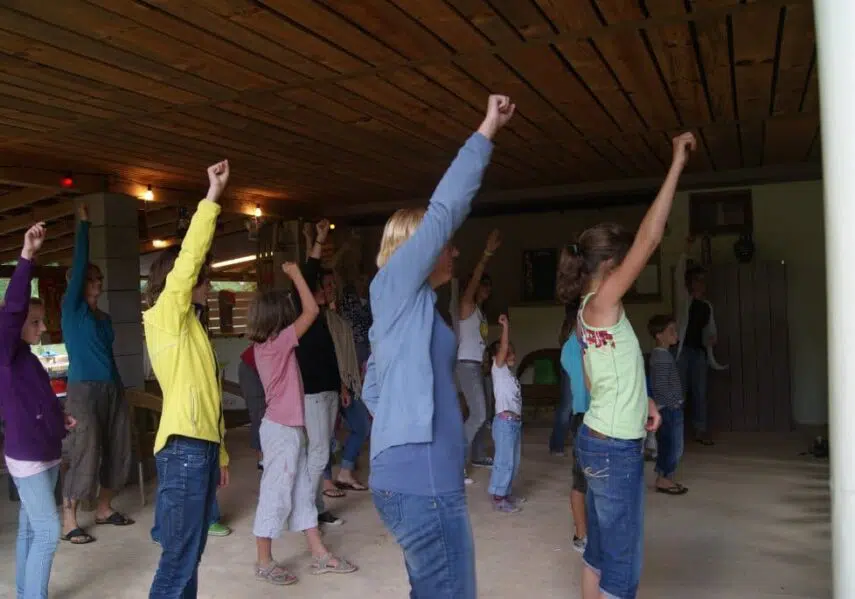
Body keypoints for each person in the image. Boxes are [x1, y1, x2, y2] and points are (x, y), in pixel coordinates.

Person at [362, 93, 515, 599]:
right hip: (421, 479)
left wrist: (402, 425)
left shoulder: (411, 307)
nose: (453, 248)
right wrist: (486, 131)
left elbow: (372, 388)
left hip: (415, 473)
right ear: (417, 246)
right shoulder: (395, 283)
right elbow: (447, 208)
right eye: (445, 241)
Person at [556, 132, 695, 599]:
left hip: (599, 436)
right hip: (614, 449)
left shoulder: (587, 311)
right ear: (612, 265)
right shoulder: (606, 300)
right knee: (622, 564)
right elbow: (652, 236)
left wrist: (645, 401)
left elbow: (603, 377)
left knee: (598, 550)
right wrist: (676, 162)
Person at [144, 160, 231, 599]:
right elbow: (190, 257)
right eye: (204, 279)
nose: (207, 286)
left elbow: (208, 393)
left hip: (200, 447)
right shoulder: (164, 316)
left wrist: (223, 454)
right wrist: (211, 197)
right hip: (183, 448)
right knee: (177, 561)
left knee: (191, 553)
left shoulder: (191, 326)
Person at [249, 262, 356, 585]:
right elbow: (310, 309)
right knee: (276, 494)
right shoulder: (277, 344)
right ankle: (264, 560)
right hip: (282, 432)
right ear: (277, 318)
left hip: (290, 430)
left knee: (301, 493)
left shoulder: (265, 346)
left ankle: (319, 553)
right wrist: (296, 275)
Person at [2, 223, 77, 599]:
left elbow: (38, 403)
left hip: (45, 453)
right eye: (35, 322)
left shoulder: (28, 360)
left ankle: (25, 593)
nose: (44, 327)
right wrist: (27, 256)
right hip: (28, 458)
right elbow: (13, 308)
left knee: (32, 527)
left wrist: (59, 421)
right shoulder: (7, 354)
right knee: (49, 531)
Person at [61, 202, 133, 545]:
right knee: (84, 449)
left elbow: (108, 356)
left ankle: (104, 508)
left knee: (118, 447)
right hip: (83, 390)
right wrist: (85, 225)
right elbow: (78, 266)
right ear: (75, 283)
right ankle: (70, 519)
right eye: (90, 278)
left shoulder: (103, 318)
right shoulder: (72, 310)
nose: (96, 282)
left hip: (110, 387)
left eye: (98, 278)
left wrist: (120, 390)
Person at [296, 220, 345, 527]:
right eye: (323, 286)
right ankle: (307, 511)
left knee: (322, 451)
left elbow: (332, 357)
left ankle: (314, 507)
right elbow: (308, 272)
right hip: (312, 394)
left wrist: (342, 386)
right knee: (316, 453)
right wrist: (318, 240)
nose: (329, 290)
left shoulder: (326, 320)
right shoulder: (303, 317)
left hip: (329, 390)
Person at [320, 268, 370, 492]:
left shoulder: (337, 316)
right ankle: (326, 480)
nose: (332, 289)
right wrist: (341, 386)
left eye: (333, 285)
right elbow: (329, 357)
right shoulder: (317, 320)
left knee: (362, 425)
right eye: (327, 285)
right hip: (329, 386)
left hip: (348, 383)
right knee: (325, 435)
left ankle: (345, 471)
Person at [458, 229, 502, 471]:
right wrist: (486, 254)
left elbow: (480, 340)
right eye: (483, 286)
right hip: (466, 364)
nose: (487, 290)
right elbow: (473, 282)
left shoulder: (481, 314)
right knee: (478, 413)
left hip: (478, 364)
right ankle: (459, 461)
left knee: (483, 414)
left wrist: (486, 359)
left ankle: (476, 454)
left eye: (489, 286)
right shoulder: (467, 305)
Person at [675, 237, 725, 445]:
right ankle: (676, 432)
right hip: (682, 352)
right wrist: (686, 251)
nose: (701, 284)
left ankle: (700, 430)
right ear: (691, 283)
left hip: (698, 353)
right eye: (698, 280)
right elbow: (678, 275)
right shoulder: (684, 300)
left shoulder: (707, 306)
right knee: (679, 393)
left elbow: (710, 330)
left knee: (700, 393)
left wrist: (711, 340)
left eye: (703, 281)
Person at [560, 299, 590, 554]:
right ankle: (581, 535)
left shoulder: (584, 344)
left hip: (595, 415)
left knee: (593, 480)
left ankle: (590, 531)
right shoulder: (572, 347)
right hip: (584, 417)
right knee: (581, 480)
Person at [486, 314, 525, 513]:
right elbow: (502, 348)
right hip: (504, 423)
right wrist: (505, 327)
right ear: (496, 357)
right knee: (504, 461)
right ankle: (499, 496)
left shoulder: (509, 376)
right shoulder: (497, 369)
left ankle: (506, 492)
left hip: (514, 424)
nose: (510, 354)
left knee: (513, 461)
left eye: (512, 351)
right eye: (506, 351)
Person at [648, 315, 688, 495]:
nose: (675, 334)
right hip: (669, 409)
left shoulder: (663, 355)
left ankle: (666, 476)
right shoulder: (661, 357)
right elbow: (661, 386)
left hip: (670, 408)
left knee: (670, 445)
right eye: (670, 331)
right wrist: (675, 403)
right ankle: (664, 479)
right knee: (673, 446)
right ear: (659, 335)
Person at [549, 316, 575, 457]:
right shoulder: (570, 344)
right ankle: (556, 445)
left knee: (569, 409)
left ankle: (557, 444)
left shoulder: (570, 343)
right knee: (566, 409)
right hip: (572, 373)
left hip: (575, 374)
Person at [238, 344, 266, 471]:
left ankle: (266, 457)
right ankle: (261, 460)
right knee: (258, 415)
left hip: (256, 368)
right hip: (250, 369)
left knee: (262, 415)